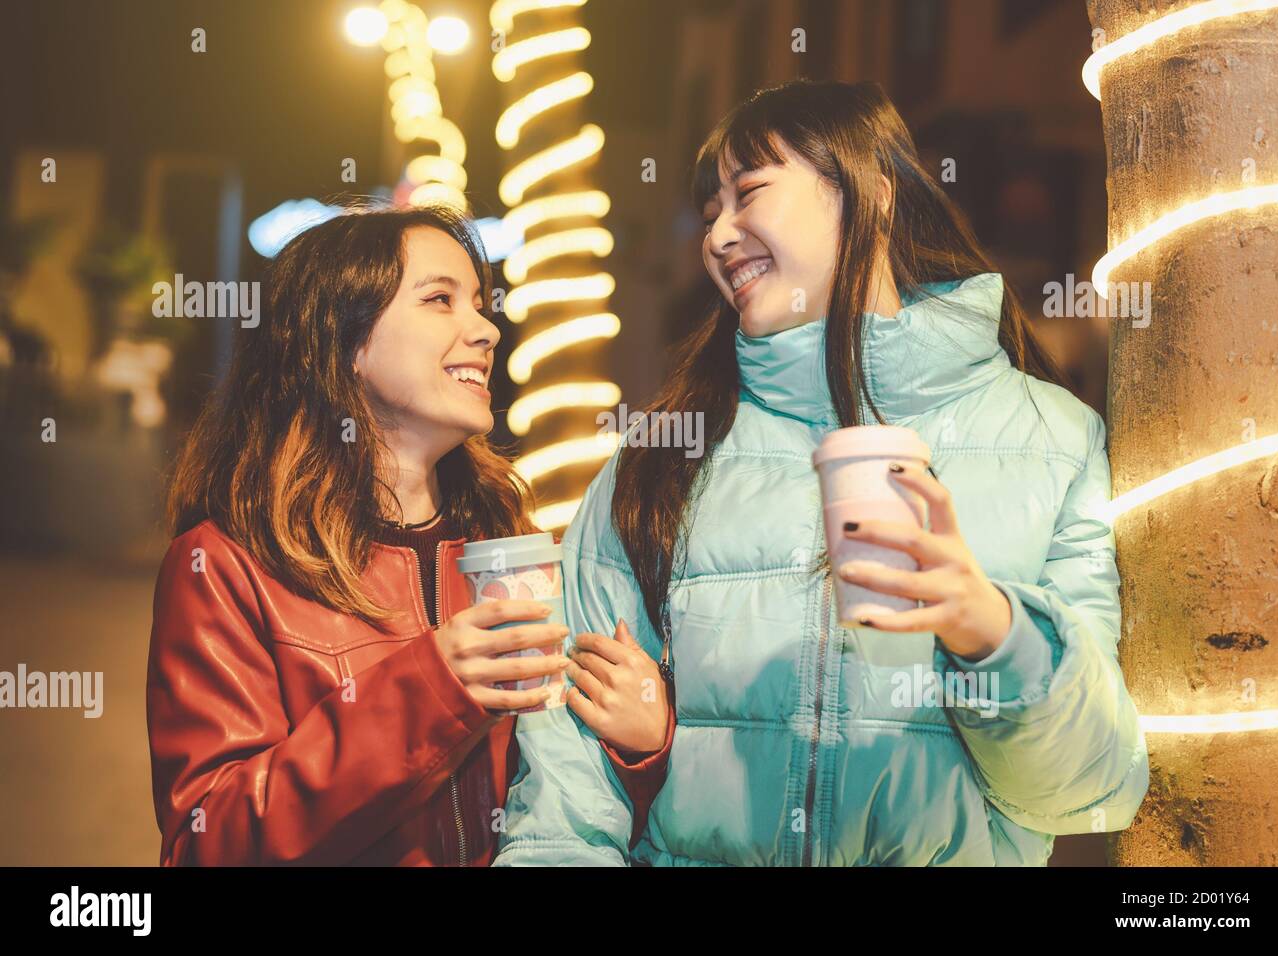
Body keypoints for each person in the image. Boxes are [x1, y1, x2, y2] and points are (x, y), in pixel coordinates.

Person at [495, 79, 1149, 866]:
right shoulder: (660, 456)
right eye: (710, 216)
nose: (720, 237)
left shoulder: (1056, 439)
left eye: (750, 194)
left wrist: (991, 632)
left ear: (871, 190)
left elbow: (1086, 791)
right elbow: (564, 802)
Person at [146, 204, 672, 865]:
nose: (484, 329)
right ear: (346, 341)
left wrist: (639, 748)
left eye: (479, 304)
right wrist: (427, 690)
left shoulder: (513, 541)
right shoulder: (226, 565)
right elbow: (209, 839)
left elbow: (566, 804)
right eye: (440, 300)